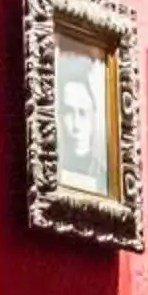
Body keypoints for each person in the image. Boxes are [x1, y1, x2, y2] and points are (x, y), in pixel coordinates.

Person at [56, 46, 109, 195]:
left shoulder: (103, 178)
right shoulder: (52, 172)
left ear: (93, 117)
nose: (76, 126)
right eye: (69, 113)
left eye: (83, 114)